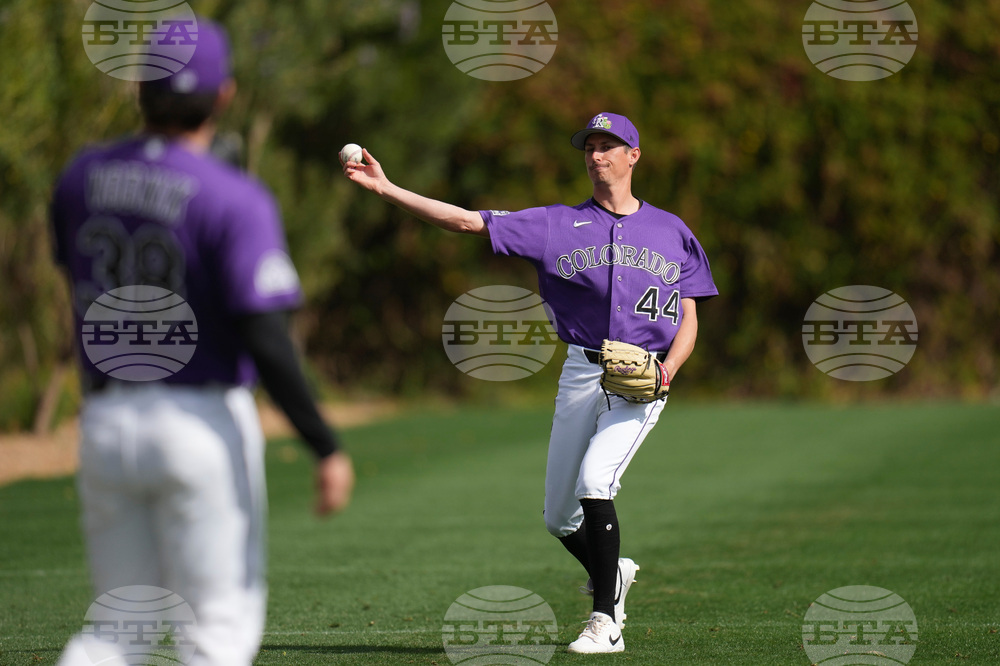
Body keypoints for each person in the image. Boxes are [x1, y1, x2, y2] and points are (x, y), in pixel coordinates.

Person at [342, 112, 718, 653]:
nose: (596, 155)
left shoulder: (671, 230)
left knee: (596, 480)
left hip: (641, 380)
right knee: (558, 517)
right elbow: (469, 221)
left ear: (633, 156)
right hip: (582, 371)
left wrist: (669, 370)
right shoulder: (556, 224)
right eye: (589, 146)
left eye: (608, 145)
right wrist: (387, 188)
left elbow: (689, 313)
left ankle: (605, 622)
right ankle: (614, 570)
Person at [50, 18, 354, 665]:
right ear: (226, 95)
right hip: (199, 420)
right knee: (217, 629)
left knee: (118, 629)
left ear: (139, 90)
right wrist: (323, 443)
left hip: (104, 419)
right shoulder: (233, 196)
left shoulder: (79, 178)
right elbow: (263, 332)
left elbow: (70, 280)